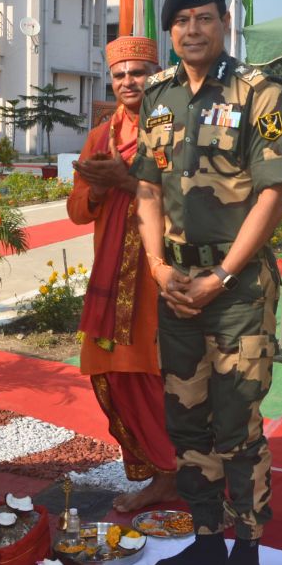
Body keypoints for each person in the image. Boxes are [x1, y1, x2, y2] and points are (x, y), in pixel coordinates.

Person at [131, 0, 282, 565]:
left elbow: (273, 190)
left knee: (236, 420)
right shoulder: (160, 94)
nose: (191, 29)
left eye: (203, 19)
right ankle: (205, 535)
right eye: (180, 22)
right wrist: (158, 269)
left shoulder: (260, 93)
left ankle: (247, 551)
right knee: (187, 416)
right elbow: (147, 187)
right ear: (170, 31)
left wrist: (223, 274)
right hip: (175, 283)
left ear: (224, 23)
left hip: (237, 287)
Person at [67, 35, 178, 512]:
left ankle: (182, 473)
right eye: (120, 74)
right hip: (112, 279)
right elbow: (76, 211)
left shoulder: (176, 128)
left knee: (160, 378)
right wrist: (95, 190)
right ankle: (159, 471)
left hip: (162, 276)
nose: (129, 81)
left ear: (158, 74)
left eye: (139, 72)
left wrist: (127, 182)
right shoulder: (100, 137)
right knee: (112, 375)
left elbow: (194, 203)